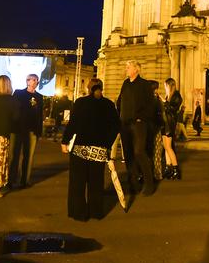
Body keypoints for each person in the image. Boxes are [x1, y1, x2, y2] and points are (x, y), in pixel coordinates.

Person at [63, 78, 120, 221]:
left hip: (81, 147)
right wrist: (107, 143)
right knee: (96, 182)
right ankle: (96, 211)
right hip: (99, 149)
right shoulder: (108, 105)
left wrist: (65, 141)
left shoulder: (81, 103)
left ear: (89, 88)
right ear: (101, 88)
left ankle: (78, 212)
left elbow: (73, 124)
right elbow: (115, 126)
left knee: (78, 182)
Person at [116, 60, 157, 196]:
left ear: (136, 69)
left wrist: (141, 117)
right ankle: (133, 184)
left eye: (128, 67)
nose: (126, 69)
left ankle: (149, 183)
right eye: (126, 67)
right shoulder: (125, 83)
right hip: (124, 123)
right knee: (128, 154)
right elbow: (120, 100)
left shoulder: (144, 85)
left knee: (139, 151)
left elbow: (150, 105)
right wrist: (119, 115)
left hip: (138, 124)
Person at [10, 73, 44, 190]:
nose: (35, 82)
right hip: (17, 129)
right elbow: (13, 110)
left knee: (29, 156)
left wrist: (39, 131)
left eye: (37, 80)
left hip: (32, 130)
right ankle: (10, 180)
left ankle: (25, 180)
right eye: (33, 80)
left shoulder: (39, 97)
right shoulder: (19, 93)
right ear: (27, 81)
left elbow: (40, 115)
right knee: (14, 155)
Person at [162, 78, 183, 180]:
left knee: (169, 147)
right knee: (166, 146)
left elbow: (172, 109)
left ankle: (176, 169)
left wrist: (164, 102)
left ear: (170, 86)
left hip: (170, 123)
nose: (164, 88)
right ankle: (168, 167)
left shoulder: (176, 96)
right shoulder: (169, 96)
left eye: (166, 86)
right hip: (165, 122)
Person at [149, 80, 166, 181]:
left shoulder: (145, 100)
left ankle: (149, 173)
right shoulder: (156, 100)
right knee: (157, 152)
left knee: (150, 152)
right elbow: (161, 115)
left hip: (147, 129)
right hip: (156, 128)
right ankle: (157, 174)